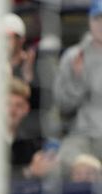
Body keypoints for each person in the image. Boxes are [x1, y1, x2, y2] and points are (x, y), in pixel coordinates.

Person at [54, 0, 102, 175]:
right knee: (62, 162)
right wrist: (78, 80)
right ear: (90, 20)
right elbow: (63, 108)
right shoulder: (73, 57)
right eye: (98, 19)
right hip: (82, 136)